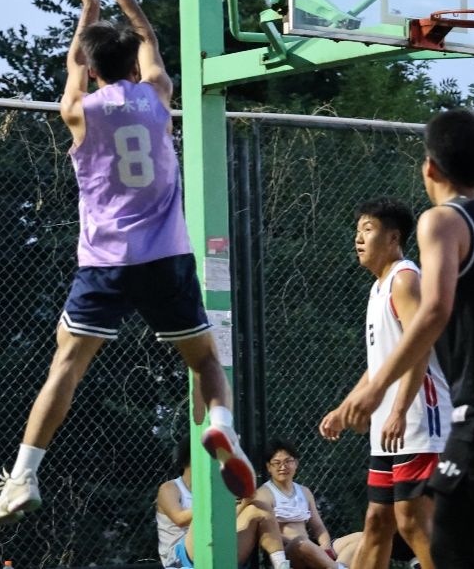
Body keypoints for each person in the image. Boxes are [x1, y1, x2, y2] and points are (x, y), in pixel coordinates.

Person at [0, 0, 254, 524]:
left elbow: (74, 62)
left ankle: (23, 477)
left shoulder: (79, 111)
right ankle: (222, 427)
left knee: (66, 365)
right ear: (134, 65)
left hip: (103, 261)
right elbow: (149, 38)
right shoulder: (156, 95)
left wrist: (86, 8)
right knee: (205, 361)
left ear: (92, 71)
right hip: (165, 257)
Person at [329, 109, 474, 569]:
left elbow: (435, 311)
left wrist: (378, 391)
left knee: (443, 540)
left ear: (430, 168)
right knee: (461, 542)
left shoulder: (440, 221)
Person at [319, 198, 448, 569]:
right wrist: (346, 407)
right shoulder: (378, 289)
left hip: (418, 420)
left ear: (393, 238)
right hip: (388, 425)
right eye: (358, 230)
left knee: (412, 522)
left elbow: (420, 348)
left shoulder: (405, 280)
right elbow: (380, 365)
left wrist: (399, 410)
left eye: (368, 229)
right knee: (377, 522)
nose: (358, 238)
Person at [156, 441, 292, 568]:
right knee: (204, 515)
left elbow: (224, 521)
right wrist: (216, 503)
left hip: (215, 545)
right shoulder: (170, 488)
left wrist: (244, 502)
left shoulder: (214, 488)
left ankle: (281, 565)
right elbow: (179, 519)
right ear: (193, 457)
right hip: (179, 558)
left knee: (259, 509)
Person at [255, 440, 356, 569]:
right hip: (288, 551)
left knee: (360, 538)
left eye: (288, 461)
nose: (283, 467)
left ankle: (337, 565)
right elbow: (267, 533)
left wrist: (325, 547)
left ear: (296, 463)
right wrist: (304, 544)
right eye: (277, 463)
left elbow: (318, 527)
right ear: (269, 467)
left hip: (311, 546)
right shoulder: (264, 493)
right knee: (301, 542)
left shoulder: (304, 491)